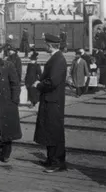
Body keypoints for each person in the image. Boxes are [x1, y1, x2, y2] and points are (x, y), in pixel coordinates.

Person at [32, 33, 67, 173]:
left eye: (46, 44)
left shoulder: (58, 60)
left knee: (54, 131)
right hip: (50, 101)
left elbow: (52, 81)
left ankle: (57, 162)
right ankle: (51, 159)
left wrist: (39, 84)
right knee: (49, 130)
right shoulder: (56, 58)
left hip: (53, 102)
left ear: (51, 45)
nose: (45, 46)